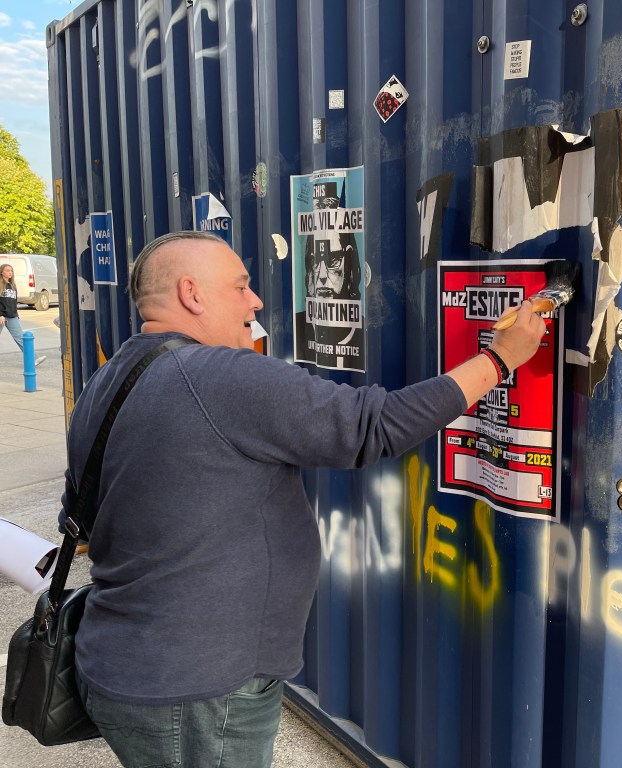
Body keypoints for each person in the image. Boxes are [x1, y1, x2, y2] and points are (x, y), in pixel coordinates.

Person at [61, 230, 546, 768]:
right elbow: (374, 426)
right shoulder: (222, 376)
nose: (255, 301)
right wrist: (500, 359)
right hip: (197, 693)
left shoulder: (105, 383)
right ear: (192, 294)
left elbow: (81, 514)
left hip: (122, 666)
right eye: (240, 286)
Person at [0, 263, 46, 366]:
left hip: (12, 316)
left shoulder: (12, 285)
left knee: (21, 338)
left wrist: (16, 314)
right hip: (1, 316)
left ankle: (34, 358)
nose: (10, 272)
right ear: (1, 272)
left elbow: (13, 302)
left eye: (11, 271)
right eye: (7, 270)